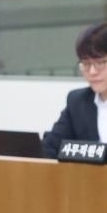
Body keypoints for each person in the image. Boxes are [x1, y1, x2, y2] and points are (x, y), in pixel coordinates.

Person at [42, 21, 107, 158]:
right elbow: (51, 147)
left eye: (100, 63)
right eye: (86, 64)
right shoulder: (78, 101)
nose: (92, 71)